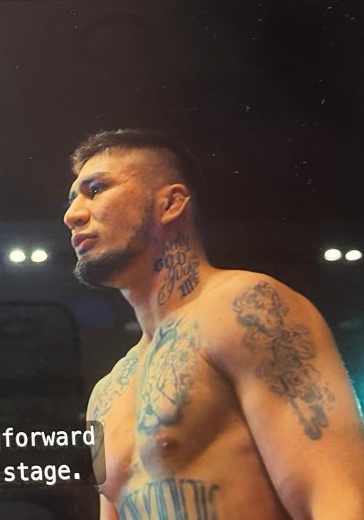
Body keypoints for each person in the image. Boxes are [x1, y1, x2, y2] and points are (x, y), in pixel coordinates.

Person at [63, 129, 364, 519]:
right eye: (73, 199)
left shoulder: (248, 308)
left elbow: (338, 499)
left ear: (170, 203)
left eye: (97, 189)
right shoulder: (106, 393)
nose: (72, 215)